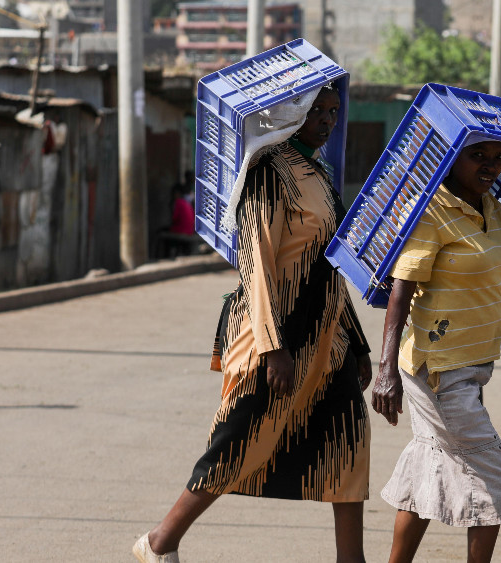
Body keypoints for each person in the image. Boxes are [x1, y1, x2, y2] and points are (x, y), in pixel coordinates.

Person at [133, 83, 373, 563]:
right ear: (290, 112)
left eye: (333, 111)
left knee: (347, 442)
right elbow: (256, 263)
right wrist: (272, 346)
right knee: (238, 441)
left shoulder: (319, 174)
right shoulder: (267, 172)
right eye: (316, 110)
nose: (327, 120)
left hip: (326, 339)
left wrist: (358, 343)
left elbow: (329, 266)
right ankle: (160, 542)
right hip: (275, 334)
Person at [372, 139, 501, 563]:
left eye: (499, 158)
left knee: (429, 464)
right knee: (493, 477)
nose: (490, 167)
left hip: (472, 366)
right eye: (478, 156)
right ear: (452, 157)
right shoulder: (431, 210)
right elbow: (401, 291)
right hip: (439, 368)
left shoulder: (490, 206)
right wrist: (385, 371)